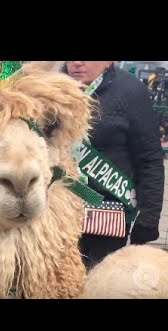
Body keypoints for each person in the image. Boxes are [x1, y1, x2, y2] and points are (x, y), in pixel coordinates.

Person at [65, 61, 165, 269]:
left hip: (106, 215)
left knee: (98, 281)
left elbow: (149, 158)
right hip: (57, 211)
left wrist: (149, 217)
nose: (76, 62)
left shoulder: (131, 91)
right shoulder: (48, 86)